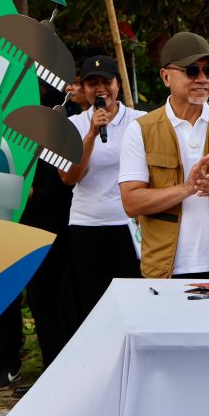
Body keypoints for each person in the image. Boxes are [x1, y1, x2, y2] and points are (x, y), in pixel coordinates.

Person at [119, 31, 209, 279]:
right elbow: (131, 203)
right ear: (166, 76)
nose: (202, 79)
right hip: (167, 270)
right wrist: (187, 188)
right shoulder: (140, 130)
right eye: (191, 70)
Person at [59, 55, 145, 330]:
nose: (100, 89)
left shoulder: (140, 122)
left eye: (106, 81)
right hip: (87, 225)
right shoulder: (74, 125)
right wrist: (92, 134)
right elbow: (69, 177)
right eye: (92, 83)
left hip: (130, 226)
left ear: (118, 83)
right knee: (92, 305)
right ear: (82, 88)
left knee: (134, 302)